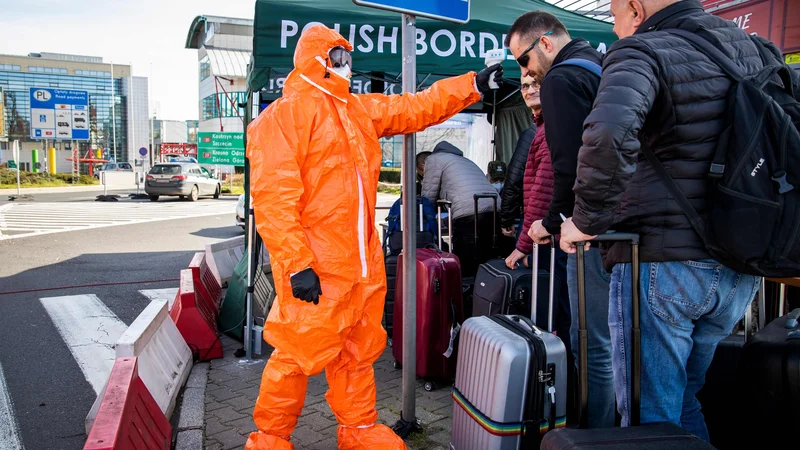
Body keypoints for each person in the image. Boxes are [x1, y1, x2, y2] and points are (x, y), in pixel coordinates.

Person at [246, 25, 502, 450]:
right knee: (294, 355)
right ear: (319, 59)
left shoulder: (356, 110)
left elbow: (414, 107)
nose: (348, 67)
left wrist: (470, 85)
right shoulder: (284, 116)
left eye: (349, 58)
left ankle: (359, 429)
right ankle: (269, 438)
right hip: (318, 269)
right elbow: (273, 196)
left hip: (360, 269)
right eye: (340, 58)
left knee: (357, 353)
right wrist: (296, 264)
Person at [557, 0, 795, 440]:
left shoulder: (642, 50)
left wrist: (587, 220)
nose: (615, 25)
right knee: (685, 400)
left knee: (650, 419)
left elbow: (609, 132)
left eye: (613, 14)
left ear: (634, 8)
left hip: (662, 264)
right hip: (741, 263)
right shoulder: (758, 49)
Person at [506, 11, 614, 428]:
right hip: (621, 226)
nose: (526, 71)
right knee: (611, 342)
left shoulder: (562, 79)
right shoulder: (599, 65)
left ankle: (589, 431)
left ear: (546, 43)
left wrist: (551, 223)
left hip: (586, 230)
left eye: (523, 60)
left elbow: (568, 166)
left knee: (591, 344)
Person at [503, 76, 571, 353]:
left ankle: (559, 370)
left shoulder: (549, 128)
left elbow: (539, 186)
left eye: (537, 83)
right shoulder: (542, 126)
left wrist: (522, 241)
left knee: (560, 307)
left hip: (556, 234)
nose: (530, 89)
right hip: (548, 231)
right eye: (525, 85)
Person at [421, 141, 500, 278]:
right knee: (487, 258)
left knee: (465, 258)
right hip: (494, 206)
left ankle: (465, 293)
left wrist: (422, 214)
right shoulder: (464, 160)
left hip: (468, 211)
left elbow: (428, 196)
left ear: (422, 166)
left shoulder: (433, 159)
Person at [499, 99, 537, 240]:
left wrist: (507, 218)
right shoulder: (580, 131)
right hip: (571, 219)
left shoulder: (532, 134)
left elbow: (514, 178)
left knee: (528, 258)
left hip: (535, 216)